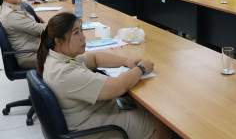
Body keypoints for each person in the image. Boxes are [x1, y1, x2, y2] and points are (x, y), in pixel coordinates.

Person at [37, 12, 171, 139]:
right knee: (160, 124)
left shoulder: (55, 55)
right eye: (76, 33)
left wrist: (126, 61)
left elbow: (95, 58)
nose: (83, 37)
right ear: (58, 41)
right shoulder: (64, 73)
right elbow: (118, 86)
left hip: (91, 114)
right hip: (92, 128)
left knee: (143, 106)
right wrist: (141, 68)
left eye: (81, 30)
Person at [0, 0, 46, 69]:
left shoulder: (16, 5)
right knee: (79, 57)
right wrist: (61, 23)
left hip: (37, 48)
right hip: (30, 56)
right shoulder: (11, 14)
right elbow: (37, 29)